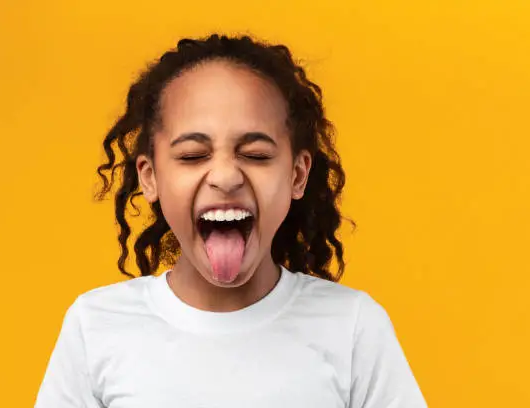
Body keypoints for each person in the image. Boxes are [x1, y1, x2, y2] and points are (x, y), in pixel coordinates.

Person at [34, 33, 428, 408]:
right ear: (149, 177)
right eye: (192, 156)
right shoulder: (96, 326)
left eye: (255, 155)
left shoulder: (353, 327)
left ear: (297, 174)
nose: (225, 176)